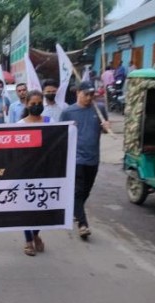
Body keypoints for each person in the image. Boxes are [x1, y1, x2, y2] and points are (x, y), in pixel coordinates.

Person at [59, 81, 110, 239]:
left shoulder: (99, 109)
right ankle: (83, 224)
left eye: (91, 95)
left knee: (85, 191)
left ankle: (76, 210)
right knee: (78, 191)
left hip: (93, 158)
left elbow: (104, 129)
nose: (88, 98)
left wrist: (106, 126)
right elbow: (60, 134)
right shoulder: (68, 112)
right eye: (85, 94)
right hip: (76, 158)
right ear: (78, 93)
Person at [16, 90, 51, 255]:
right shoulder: (20, 126)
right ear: (26, 104)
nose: (36, 106)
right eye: (33, 104)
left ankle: (36, 234)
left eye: (39, 103)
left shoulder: (51, 122)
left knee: (41, 209)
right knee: (26, 208)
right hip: (26, 172)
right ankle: (29, 241)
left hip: (46, 171)